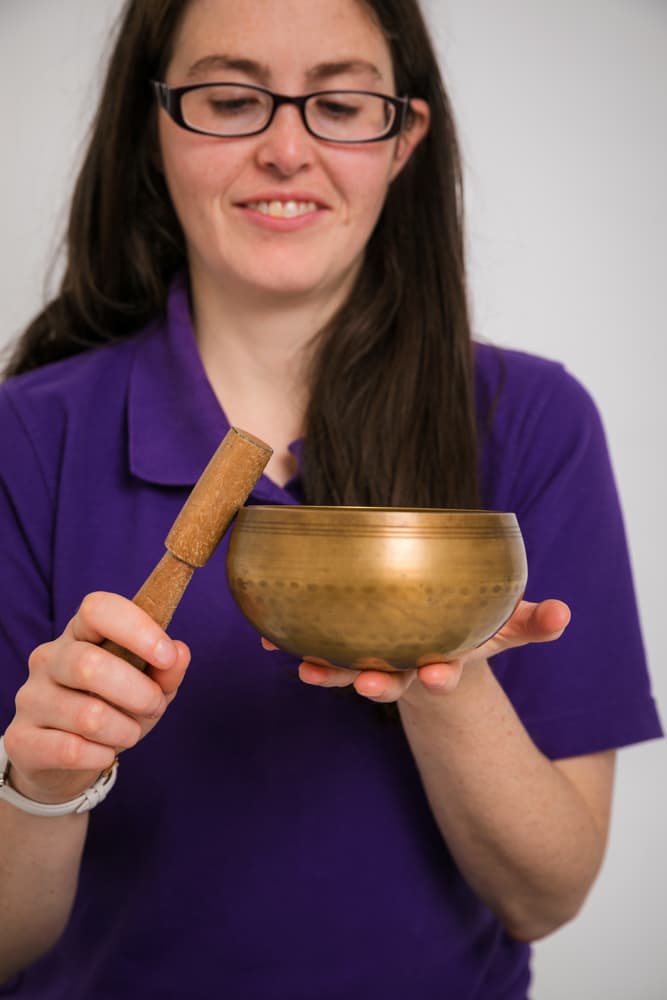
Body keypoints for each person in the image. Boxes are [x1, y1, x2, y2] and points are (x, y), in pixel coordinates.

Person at [0, 0, 662, 997]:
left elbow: (544, 896)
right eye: (228, 99)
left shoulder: (533, 420)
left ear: (403, 140)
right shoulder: (24, 437)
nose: (284, 149)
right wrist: (40, 785)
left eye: (342, 106)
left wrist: (449, 668)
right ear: (154, 128)